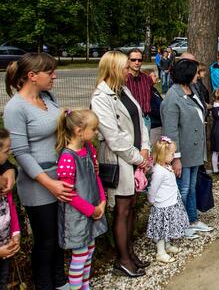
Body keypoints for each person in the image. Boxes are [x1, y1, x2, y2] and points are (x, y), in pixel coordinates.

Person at [4, 53, 71, 289]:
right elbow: (21, 153)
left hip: (58, 178)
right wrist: (48, 183)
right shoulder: (15, 108)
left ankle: (60, 280)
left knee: (59, 237)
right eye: (49, 71)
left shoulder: (47, 98)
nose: (54, 75)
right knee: (45, 240)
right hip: (37, 184)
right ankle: (44, 284)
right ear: (32, 76)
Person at [91, 50, 151, 278]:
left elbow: (139, 119)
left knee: (132, 205)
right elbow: (113, 137)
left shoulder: (123, 89)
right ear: (114, 68)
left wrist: (145, 147)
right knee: (122, 208)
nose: (130, 70)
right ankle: (122, 259)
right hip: (120, 159)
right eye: (126, 67)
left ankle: (130, 252)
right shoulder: (101, 97)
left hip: (136, 156)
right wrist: (138, 157)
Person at [55, 109, 108, 290]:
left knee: (89, 250)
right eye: (93, 129)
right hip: (77, 217)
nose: (96, 133)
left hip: (92, 209)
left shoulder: (89, 149)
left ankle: (85, 286)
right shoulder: (67, 158)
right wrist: (91, 210)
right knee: (79, 255)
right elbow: (69, 195)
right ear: (79, 131)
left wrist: (102, 200)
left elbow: (95, 175)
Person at [160, 59, 213, 239]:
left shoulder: (191, 90)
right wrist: (175, 158)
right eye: (196, 72)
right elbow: (171, 130)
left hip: (195, 149)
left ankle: (192, 219)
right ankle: (180, 224)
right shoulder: (172, 97)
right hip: (182, 152)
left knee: (191, 187)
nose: (198, 76)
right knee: (182, 189)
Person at [146, 136, 190, 264]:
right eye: (172, 154)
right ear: (162, 155)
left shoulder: (167, 167)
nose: (174, 156)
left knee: (168, 226)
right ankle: (160, 251)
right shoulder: (158, 172)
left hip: (171, 202)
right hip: (162, 205)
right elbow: (153, 188)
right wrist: (152, 200)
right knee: (161, 229)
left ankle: (167, 244)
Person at [0, 129, 21, 290]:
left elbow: (10, 206)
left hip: (6, 244)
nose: (9, 154)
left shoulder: (3, 180)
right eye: (7, 151)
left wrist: (15, 233)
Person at [125, 48, 153, 140]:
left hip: (145, 119)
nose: (137, 62)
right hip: (129, 120)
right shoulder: (123, 80)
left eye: (139, 60)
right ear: (128, 60)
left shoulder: (147, 79)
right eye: (133, 60)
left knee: (145, 148)